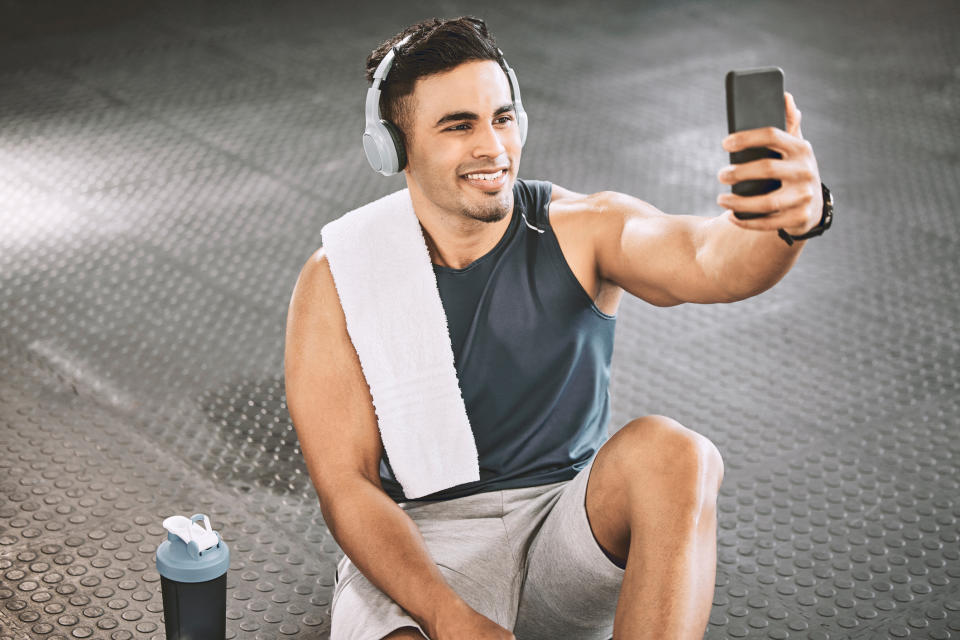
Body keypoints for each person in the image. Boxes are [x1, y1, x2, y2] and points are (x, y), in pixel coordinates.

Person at [284, 15, 830, 640]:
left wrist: (790, 220)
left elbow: (712, 261)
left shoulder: (581, 227)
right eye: (458, 126)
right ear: (394, 146)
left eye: (503, 116)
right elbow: (346, 488)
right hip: (418, 546)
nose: (492, 146)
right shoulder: (340, 277)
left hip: (561, 532)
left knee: (678, 454)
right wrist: (448, 616)